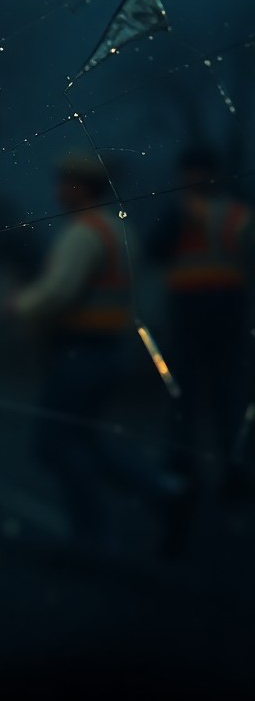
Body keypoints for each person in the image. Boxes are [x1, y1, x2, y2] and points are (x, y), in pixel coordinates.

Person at [11, 155, 179, 553]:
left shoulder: (84, 233)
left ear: (82, 186)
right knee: (83, 440)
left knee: (55, 445)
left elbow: (58, 293)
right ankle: (163, 492)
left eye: (64, 182)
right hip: (107, 350)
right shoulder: (119, 231)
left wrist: (18, 305)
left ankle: (93, 536)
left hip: (78, 352)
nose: (58, 190)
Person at [153, 147, 252, 553]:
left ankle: (201, 478)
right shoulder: (226, 215)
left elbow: (152, 250)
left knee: (202, 401)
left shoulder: (207, 213)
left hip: (206, 316)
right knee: (209, 401)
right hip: (211, 315)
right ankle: (210, 479)